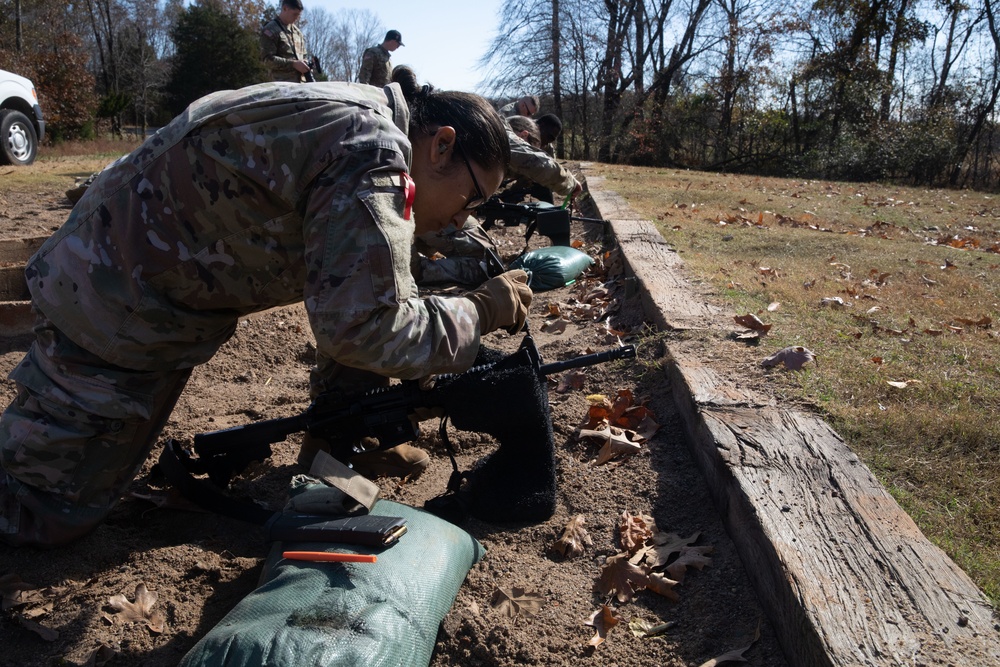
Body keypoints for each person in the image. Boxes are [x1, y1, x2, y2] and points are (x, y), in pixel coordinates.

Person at [0, 66, 531, 548]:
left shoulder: (371, 119)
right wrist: (481, 310)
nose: (465, 219)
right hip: (110, 303)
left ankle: (337, 438)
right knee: (42, 513)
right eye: (472, 200)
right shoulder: (373, 149)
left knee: (388, 274)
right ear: (441, 145)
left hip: (149, 294)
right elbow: (363, 327)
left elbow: (363, 283)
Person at [260, 0, 311, 83]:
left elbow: (304, 56)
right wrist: (293, 64)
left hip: (301, 87)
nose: (297, 18)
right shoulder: (270, 30)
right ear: (284, 8)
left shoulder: (298, 33)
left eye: (299, 15)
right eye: (294, 14)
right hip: (280, 87)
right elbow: (267, 60)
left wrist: (306, 65)